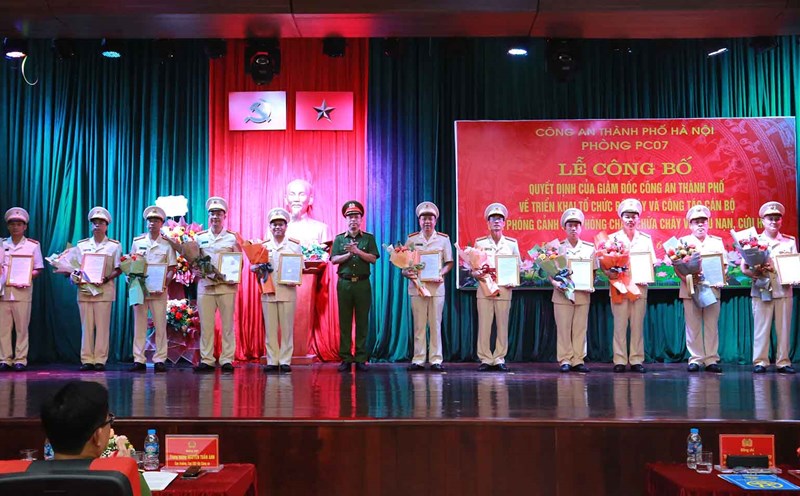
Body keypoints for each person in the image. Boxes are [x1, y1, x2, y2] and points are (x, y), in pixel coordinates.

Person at [40, 381, 152, 496]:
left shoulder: (24, 478)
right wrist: (125, 471)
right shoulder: (123, 481)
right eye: (109, 420)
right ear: (97, 436)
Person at [741, 201, 796, 374]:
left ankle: (783, 361)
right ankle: (760, 361)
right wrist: (754, 274)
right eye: (770, 218)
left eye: (777, 219)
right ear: (763, 221)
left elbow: (794, 266)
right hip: (761, 289)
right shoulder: (754, 241)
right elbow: (744, 268)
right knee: (761, 328)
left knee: (784, 328)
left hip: (783, 290)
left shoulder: (789, 241)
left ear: (781, 221)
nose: (773, 222)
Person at [603, 199, 656, 374]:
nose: (630, 219)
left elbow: (652, 263)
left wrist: (647, 273)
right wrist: (610, 272)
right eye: (627, 216)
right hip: (620, 287)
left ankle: (636, 359)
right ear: (621, 218)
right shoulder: (611, 239)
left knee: (637, 325)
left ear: (639, 219)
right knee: (619, 325)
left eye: (634, 216)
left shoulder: (646, 239)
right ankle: (619, 359)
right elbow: (604, 265)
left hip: (639, 288)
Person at [403, 201, 454, 372]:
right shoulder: (411, 239)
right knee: (419, 324)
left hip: (436, 288)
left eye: (430, 218)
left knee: (435, 323)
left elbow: (449, 262)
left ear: (435, 220)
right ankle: (418, 359)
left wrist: (442, 273)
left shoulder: (443, 239)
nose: (427, 221)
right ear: (419, 220)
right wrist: (406, 272)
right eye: (423, 218)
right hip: (417, 287)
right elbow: (406, 262)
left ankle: (435, 359)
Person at [194, 197, 241, 373]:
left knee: (228, 324)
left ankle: (227, 359)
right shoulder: (200, 238)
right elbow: (194, 260)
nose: (215, 217)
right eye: (212, 214)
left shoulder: (232, 238)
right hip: (205, 286)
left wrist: (234, 275)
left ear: (224, 216)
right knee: (206, 325)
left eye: (219, 214)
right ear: (208, 216)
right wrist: (195, 270)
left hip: (226, 287)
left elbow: (239, 261)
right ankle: (207, 359)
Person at [331, 201, 379, 372]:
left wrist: (358, 251)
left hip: (362, 284)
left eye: (356, 217)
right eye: (350, 217)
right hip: (344, 283)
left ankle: (360, 358)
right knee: (344, 322)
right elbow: (334, 259)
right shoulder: (339, 239)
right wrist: (349, 253)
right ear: (346, 219)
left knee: (362, 321)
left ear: (361, 219)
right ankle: (345, 358)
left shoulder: (368, 238)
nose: (353, 220)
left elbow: (373, 259)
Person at [472, 203, 520, 372]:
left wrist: (513, 279)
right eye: (493, 219)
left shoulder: (512, 244)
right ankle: (485, 358)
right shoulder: (480, 243)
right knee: (484, 324)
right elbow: (474, 267)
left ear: (505, 223)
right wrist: (475, 273)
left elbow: (517, 267)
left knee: (502, 324)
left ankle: (499, 357)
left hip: (504, 289)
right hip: (485, 288)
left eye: (500, 219)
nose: (497, 222)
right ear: (488, 222)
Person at [129, 206, 177, 373]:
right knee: (139, 325)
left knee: (160, 325)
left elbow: (172, 267)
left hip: (159, 291)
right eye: (150, 220)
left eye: (156, 220)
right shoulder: (138, 242)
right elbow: (131, 264)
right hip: (140, 290)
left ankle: (160, 359)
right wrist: (131, 276)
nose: (152, 223)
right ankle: (138, 359)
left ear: (161, 223)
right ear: (146, 223)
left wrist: (165, 283)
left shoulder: (166, 244)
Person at [678, 205, 725, 373]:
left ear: (707, 224)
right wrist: (688, 279)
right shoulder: (682, 243)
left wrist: (720, 278)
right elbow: (678, 268)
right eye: (696, 222)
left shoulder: (717, 242)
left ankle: (711, 358)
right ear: (690, 225)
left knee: (711, 325)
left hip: (712, 288)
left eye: (703, 221)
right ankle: (696, 359)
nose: (700, 225)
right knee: (692, 325)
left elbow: (723, 265)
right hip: (690, 289)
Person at [74, 207, 122, 372]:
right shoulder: (81, 245)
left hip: (104, 290)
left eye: (101, 222)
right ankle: (87, 359)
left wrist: (107, 278)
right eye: (94, 222)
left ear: (107, 226)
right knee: (86, 327)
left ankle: (100, 359)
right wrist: (73, 275)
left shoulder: (114, 246)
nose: (97, 225)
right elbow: (75, 267)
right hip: (85, 291)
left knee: (102, 327)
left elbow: (119, 268)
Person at [257, 207, 302, 372]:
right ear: (270, 227)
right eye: (274, 224)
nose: (277, 227)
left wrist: (294, 279)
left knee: (287, 328)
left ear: (286, 226)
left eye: (280, 224)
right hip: (268, 291)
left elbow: (299, 268)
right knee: (270, 328)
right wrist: (256, 268)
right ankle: (272, 360)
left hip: (287, 292)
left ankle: (285, 360)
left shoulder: (294, 246)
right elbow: (254, 266)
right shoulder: (263, 246)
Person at [0, 207, 44, 371]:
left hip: (22, 291)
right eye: (12, 224)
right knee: (3, 328)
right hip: (3, 292)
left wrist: (26, 277)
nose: (16, 227)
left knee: (22, 327)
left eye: (19, 224)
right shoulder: (2, 244)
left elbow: (38, 268)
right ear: (8, 226)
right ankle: (4, 359)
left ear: (25, 227)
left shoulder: (32, 245)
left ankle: (20, 359)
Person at [552, 208, 595, 373]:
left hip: (582, 295)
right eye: (570, 225)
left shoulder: (589, 249)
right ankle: (565, 359)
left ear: (581, 227)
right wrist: (555, 283)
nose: (573, 228)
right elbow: (550, 272)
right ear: (565, 227)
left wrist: (590, 283)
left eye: (577, 225)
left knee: (580, 328)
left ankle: (578, 359)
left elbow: (593, 271)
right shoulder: (556, 249)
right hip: (562, 295)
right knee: (563, 328)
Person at [284, 179, 330, 244]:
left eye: (302, 194)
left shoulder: (321, 229)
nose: (296, 199)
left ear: (310, 199)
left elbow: (327, 253)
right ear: (286, 199)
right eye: (292, 194)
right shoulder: (273, 229)